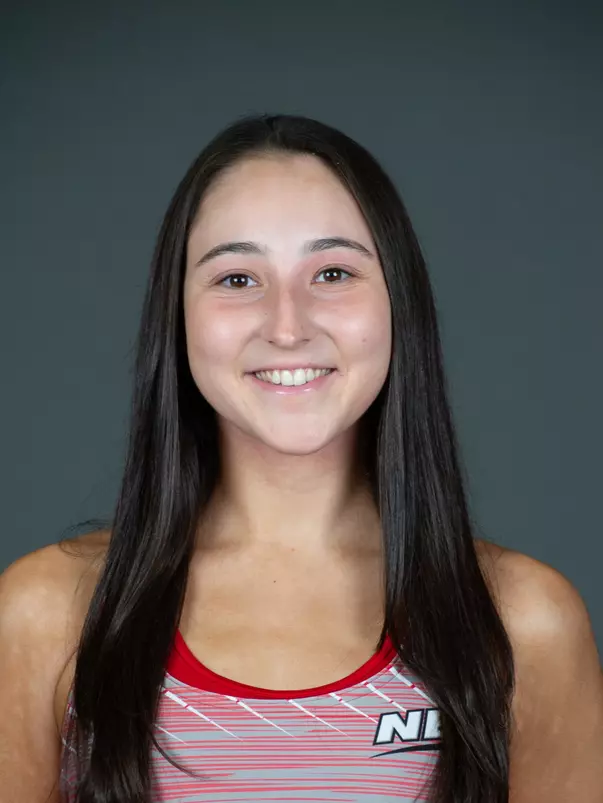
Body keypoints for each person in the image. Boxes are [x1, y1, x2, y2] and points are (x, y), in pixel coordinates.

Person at [0, 114, 601, 803]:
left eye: (333, 271)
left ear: (397, 304)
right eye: (235, 279)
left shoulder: (521, 622)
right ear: (178, 314)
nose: (287, 326)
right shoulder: (48, 614)